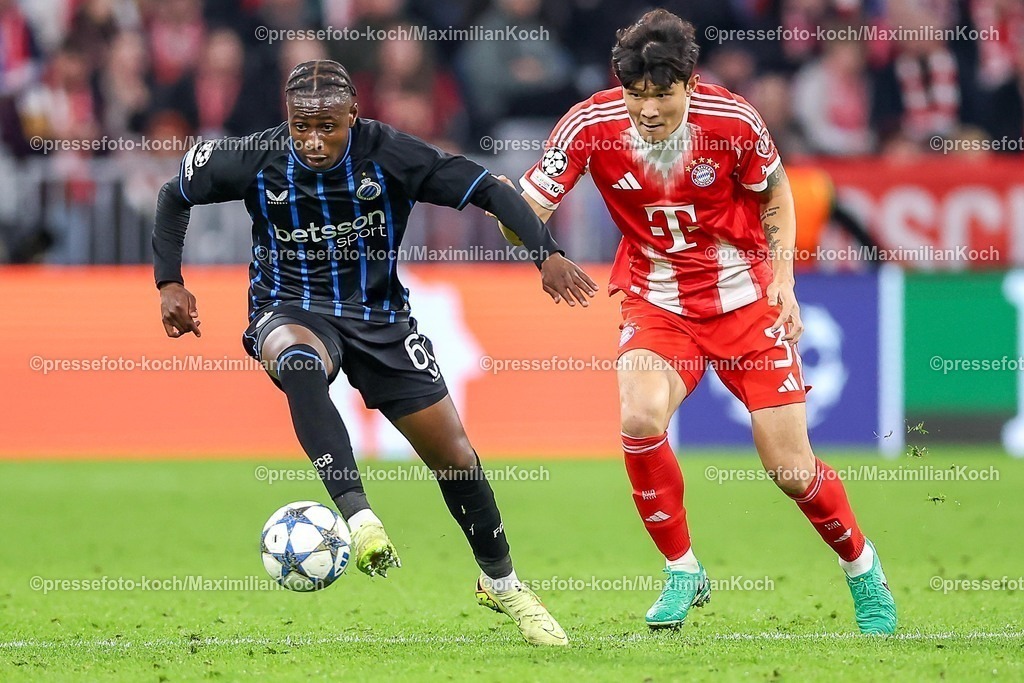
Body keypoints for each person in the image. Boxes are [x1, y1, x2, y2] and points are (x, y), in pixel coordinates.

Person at [152, 59, 598, 646]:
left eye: (327, 127)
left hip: (381, 321)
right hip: (289, 307)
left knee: (455, 457)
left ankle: (503, 584)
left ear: (353, 117)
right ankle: (360, 518)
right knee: (298, 362)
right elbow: (174, 193)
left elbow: (489, 189)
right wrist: (169, 282)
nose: (313, 141)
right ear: (286, 118)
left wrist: (546, 254)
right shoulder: (254, 158)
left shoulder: (391, 154)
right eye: (301, 127)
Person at [502, 9, 897, 634]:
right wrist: (519, 226)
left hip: (745, 301)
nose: (647, 110)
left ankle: (862, 568)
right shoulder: (589, 124)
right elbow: (526, 210)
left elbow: (775, 194)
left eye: (662, 95)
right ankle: (682, 569)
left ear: (690, 82)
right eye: (635, 94)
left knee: (790, 468)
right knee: (639, 417)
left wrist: (784, 280)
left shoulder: (732, 120)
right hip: (656, 301)